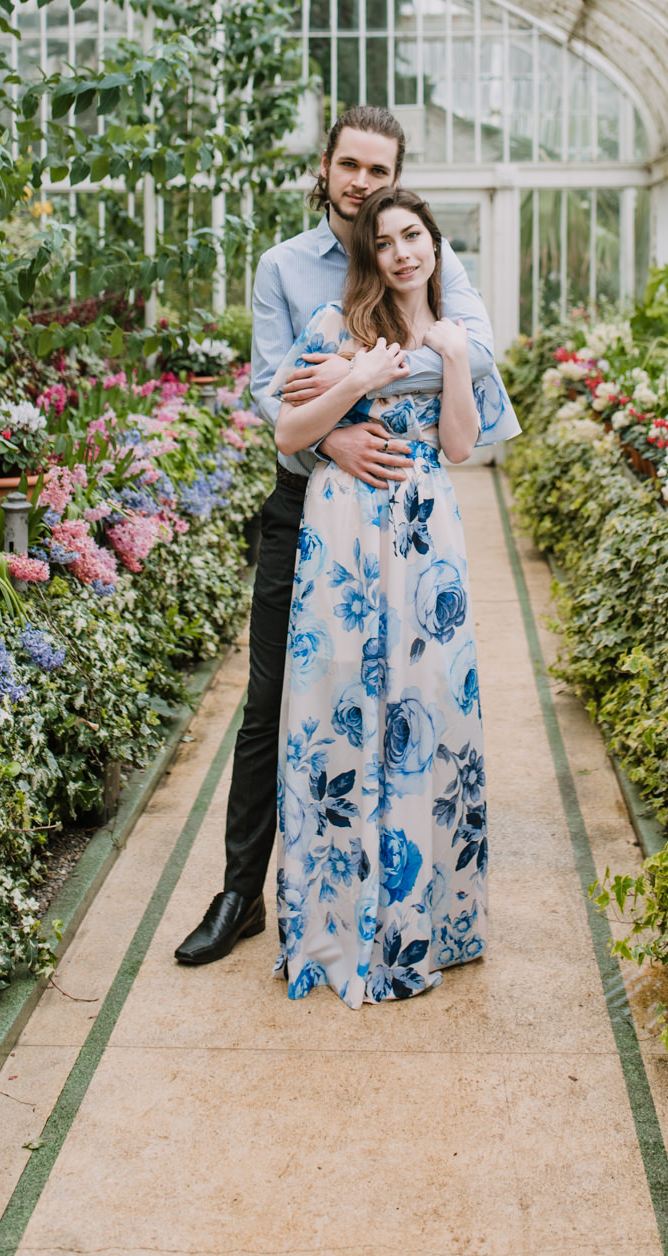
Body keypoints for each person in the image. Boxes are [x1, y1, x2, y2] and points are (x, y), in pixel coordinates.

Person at [174, 106, 511, 967]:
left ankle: (405, 888)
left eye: (378, 169)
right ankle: (239, 893)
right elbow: (266, 390)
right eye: (349, 166)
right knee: (276, 699)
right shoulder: (284, 267)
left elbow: (469, 348)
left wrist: (362, 368)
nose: (361, 182)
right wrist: (332, 429)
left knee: (413, 694)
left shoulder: (423, 254)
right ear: (324, 167)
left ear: (397, 179)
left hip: (409, 522)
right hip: (309, 513)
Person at [268, 185, 515, 1004]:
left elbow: (458, 445)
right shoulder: (333, 331)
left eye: (415, 236)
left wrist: (443, 359)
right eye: (386, 242)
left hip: (425, 536)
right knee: (337, 701)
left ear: (436, 246)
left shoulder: (455, 336)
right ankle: (337, 922)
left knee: (425, 708)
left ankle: (425, 923)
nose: (403, 252)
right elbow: (287, 435)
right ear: (367, 256)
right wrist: (356, 380)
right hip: (341, 531)